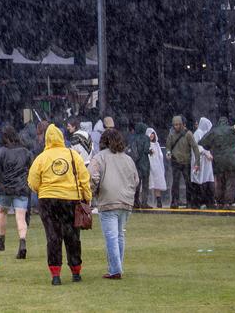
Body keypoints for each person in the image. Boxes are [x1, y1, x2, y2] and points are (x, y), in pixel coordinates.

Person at [27, 123, 91, 286]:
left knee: (53, 237)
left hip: (48, 201)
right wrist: (87, 197)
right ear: (62, 138)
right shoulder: (73, 155)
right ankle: (76, 271)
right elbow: (84, 178)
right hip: (71, 200)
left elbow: (33, 182)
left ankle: (55, 274)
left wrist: (44, 189)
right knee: (73, 237)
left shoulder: (41, 158)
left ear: (47, 139)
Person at [89, 128, 139, 280]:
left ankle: (115, 269)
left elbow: (92, 178)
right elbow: (136, 180)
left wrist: (91, 192)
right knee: (119, 235)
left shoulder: (99, 158)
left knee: (111, 236)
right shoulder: (128, 159)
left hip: (108, 201)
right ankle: (116, 267)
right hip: (126, 201)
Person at [0, 125, 32, 259]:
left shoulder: (0, 152)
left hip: (5, 189)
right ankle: (22, 241)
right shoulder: (25, 152)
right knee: (20, 216)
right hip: (21, 188)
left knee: (2, 212)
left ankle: (1, 239)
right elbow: (31, 169)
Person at [199, 117, 235, 208]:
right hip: (232, 160)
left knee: (219, 182)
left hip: (219, 161)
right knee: (230, 182)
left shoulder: (214, 131)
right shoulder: (233, 130)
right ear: (227, 123)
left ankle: (219, 202)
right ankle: (228, 203)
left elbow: (203, 143)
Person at [165, 116, 200, 208]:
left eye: (178, 124)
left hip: (186, 162)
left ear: (181, 124)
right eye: (175, 125)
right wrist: (168, 152)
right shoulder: (171, 134)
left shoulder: (188, 134)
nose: (176, 126)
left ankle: (189, 202)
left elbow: (195, 147)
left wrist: (197, 162)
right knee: (175, 183)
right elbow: (168, 146)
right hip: (175, 161)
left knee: (188, 183)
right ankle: (174, 201)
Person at [191, 118, 214, 209]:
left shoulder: (202, 133)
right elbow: (197, 147)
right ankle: (200, 202)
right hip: (199, 160)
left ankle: (207, 202)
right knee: (200, 180)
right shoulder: (198, 134)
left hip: (205, 161)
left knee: (206, 179)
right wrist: (206, 153)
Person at [128, 122, 151, 208]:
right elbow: (146, 150)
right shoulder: (146, 138)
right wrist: (150, 151)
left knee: (137, 183)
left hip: (136, 163)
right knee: (145, 184)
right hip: (144, 163)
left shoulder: (133, 138)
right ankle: (144, 202)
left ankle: (135, 201)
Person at [146, 127, 167, 207]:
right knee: (149, 183)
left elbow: (160, 156)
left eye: (153, 134)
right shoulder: (146, 144)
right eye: (150, 134)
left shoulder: (157, 144)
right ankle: (145, 201)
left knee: (157, 184)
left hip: (157, 167)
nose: (151, 135)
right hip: (149, 166)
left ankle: (159, 201)